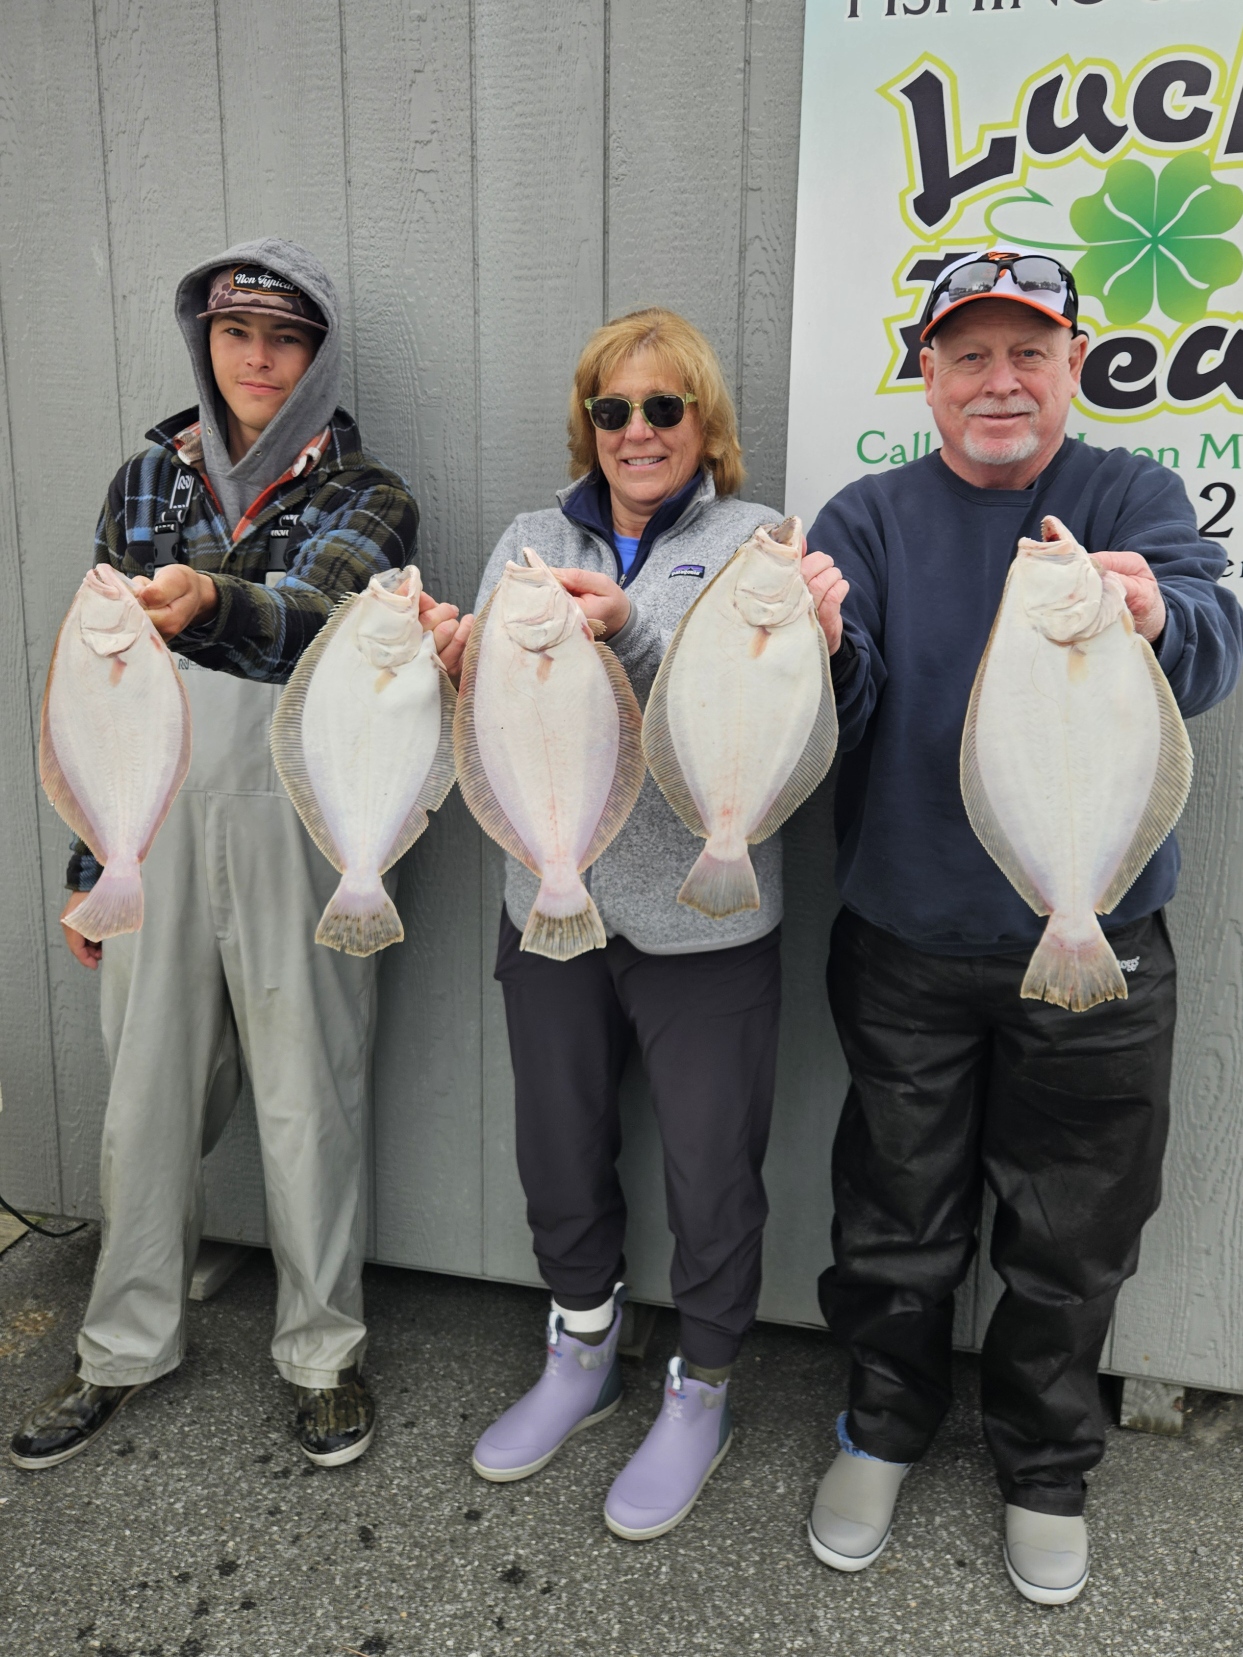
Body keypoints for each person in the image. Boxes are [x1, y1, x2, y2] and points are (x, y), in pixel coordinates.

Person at [798, 250, 1242, 1602]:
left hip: (1098, 935)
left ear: (1072, 367)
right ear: (927, 377)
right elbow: (842, 713)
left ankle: (1045, 1463)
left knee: (1073, 1223)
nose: (1000, 382)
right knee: (894, 1208)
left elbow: (1211, 642)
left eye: (1028, 354)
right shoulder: (867, 516)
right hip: (906, 940)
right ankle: (883, 1422)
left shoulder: (1129, 496)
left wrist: (1157, 610)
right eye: (970, 356)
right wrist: (816, 649)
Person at [8, 239, 462, 1472]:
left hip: (303, 815)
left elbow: (319, 625)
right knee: (144, 1094)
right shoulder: (142, 482)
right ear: (203, 343)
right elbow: (98, 692)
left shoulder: (369, 495)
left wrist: (209, 603)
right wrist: (91, 863)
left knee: (311, 1095)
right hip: (149, 816)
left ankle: (323, 1353)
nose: (258, 359)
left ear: (317, 358)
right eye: (235, 333)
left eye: (286, 339)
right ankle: (120, 1345)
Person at [458, 308, 847, 1540]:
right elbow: (487, 712)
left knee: (710, 1166)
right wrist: (451, 656)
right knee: (557, 1143)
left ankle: (703, 1385)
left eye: (664, 407)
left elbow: (778, 701)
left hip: (704, 920)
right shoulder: (529, 540)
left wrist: (633, 630)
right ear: (589, 423)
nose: (638, 431)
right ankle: (581, 1347)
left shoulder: (757, 541)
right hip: (551, 903)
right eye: (613, 408)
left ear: (704, 423)